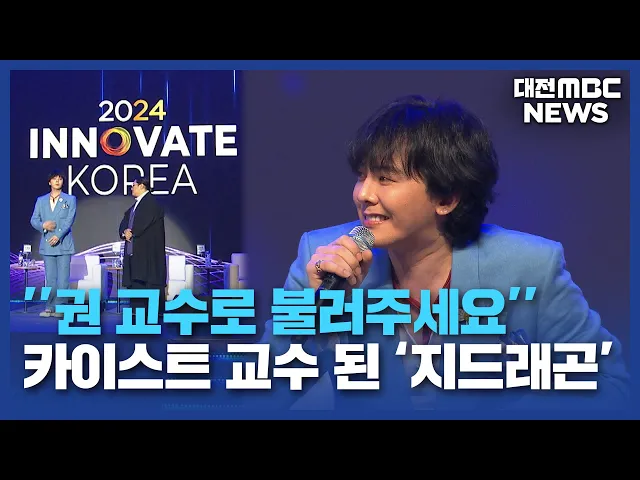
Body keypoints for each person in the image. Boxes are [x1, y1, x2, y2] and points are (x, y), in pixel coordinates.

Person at [260, 95, 630, 411]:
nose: (363, 194)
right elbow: (256, 395)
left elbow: (611, 388)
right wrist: (310, 312)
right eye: (361, 176)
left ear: (447, 198)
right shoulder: (323, 259)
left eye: (385, 178)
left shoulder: (531, 267)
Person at [30, 170, 77, 317]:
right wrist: (43, 225)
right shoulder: (41, 200)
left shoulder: (70, 199)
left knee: (63, 279)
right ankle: (49, 306)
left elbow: (69, 220)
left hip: (64, 245)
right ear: (49, 182)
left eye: (60, 179)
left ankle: (61, 307)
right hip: (47, 245)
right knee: (50, 279)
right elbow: (34, 220)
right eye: (54, 179)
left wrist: (58, 235)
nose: (57, 181)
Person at [118, 177, 167, 319]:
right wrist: (124, 232)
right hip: (134, 252)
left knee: (147, 281)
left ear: (142, 186)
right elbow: (125, 222)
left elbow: (143, 222)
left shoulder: (151, 203)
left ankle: (148, 314)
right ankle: (137, 311)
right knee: (136, 281)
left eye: (133, 185)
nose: (131, 188)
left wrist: (132, 231)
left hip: (147, 253)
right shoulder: (134, 207)